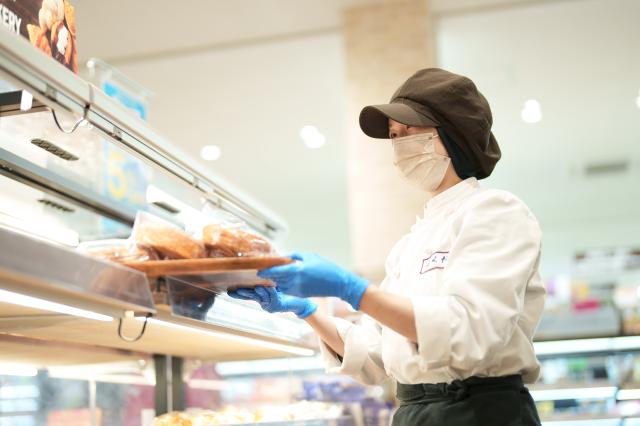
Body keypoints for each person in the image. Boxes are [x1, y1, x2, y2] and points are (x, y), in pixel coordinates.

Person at [230, 68, 546, 426]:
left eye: (411, 131)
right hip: (413, 411)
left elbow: (470, 334)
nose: (399, 143)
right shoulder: (412, 242)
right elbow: (377, 353)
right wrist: (305, 311)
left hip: (479, 411)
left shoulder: (495, 212)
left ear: (454, 135)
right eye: (394, 135)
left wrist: (351, 288)